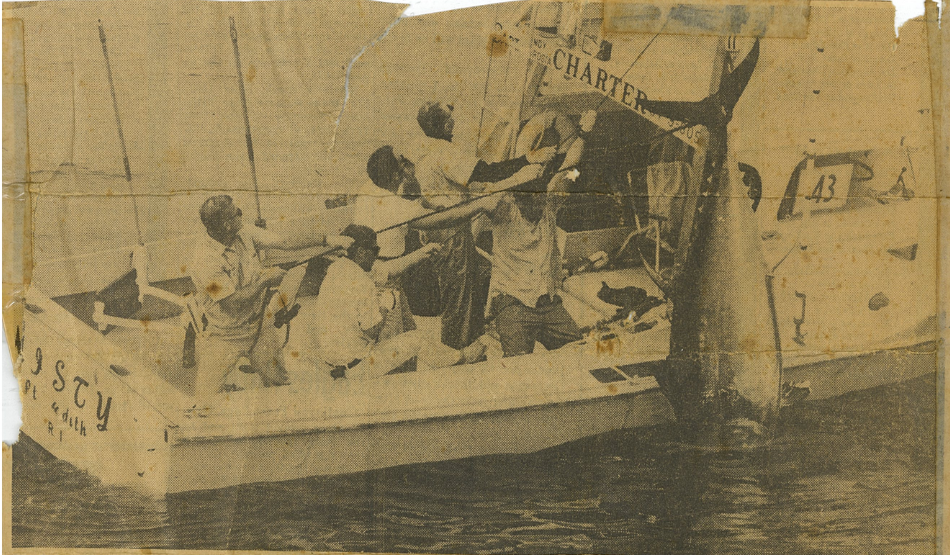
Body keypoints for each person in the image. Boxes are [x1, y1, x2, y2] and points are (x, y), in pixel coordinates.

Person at [413, 110, 597, 357]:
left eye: (540, 197)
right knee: (514, 368)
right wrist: (521, 170)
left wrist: (583, 135)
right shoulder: (503, 208)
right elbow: (480, 192)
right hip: (514, 308)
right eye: (530, 197)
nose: (537, 205)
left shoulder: (549, 204)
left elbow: (572, 171)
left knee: (581, 353)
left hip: (549, 305)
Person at [402, 101, 554, 350]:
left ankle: (468, 344)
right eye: (450, 120)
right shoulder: (445, 151)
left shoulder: (418, 147)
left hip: (431, 230)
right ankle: (459, 353)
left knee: (457, 292)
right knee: (459, 298)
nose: (454, 124)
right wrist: (528, 159)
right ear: (443, 124)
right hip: (452, 232)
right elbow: (488, 173)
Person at [190, 195, 352, 398]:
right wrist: (266, 281)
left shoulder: (243, 231)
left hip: (259, 325)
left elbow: (284, 242)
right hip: (226, 335)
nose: (241, 213)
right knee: (203, 397)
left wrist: (328, 240)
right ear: (226, 224)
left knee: (279, 385)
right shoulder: (205, 261)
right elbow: (231, 304)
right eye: (236, 212)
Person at [312, 225, 485, 381]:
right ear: (361, 253)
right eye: (375, 250)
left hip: (334, 364)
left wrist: (423, 252)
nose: (377, 256)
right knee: (419, 338)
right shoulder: (362, 282)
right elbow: (371, 331)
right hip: (358, 368)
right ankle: (463, 358)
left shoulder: (336, 270)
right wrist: (386, 305)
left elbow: (388, 269)